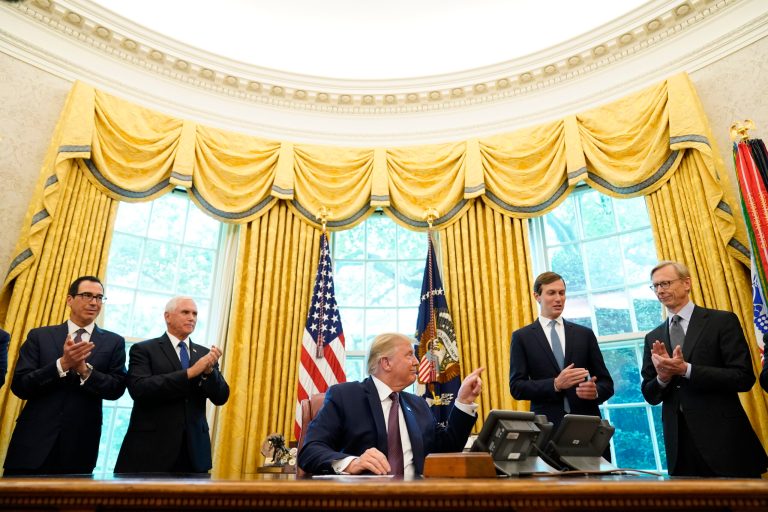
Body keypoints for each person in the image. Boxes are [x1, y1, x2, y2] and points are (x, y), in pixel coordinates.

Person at [641, 260, 768, 478]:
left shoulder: (721, 321)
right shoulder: (653, 337)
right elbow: (650, 394)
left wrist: (686, 369)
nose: (661, 290)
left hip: (725, 441)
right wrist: (662, 378)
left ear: (687, 283)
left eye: (666, 283)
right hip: (681, 446)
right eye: (656, 286)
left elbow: (743, 377)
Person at [298, 332, 484, 477]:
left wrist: (464, 402)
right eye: (410, 355)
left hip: (418, 499)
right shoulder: (345, 396)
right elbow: (310, 450)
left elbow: (446, 450)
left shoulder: (418, 404)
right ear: (386, 362)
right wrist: (353, 463)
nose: (417, 363)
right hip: (364, 500)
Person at [3, 276, 127, 475]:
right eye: (87, 295)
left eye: (99, 298)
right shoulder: (40, 336)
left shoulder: (114, 342)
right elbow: (20, 385)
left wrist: (84, 371)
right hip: (32, 443)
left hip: (80, 446)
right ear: (70, 300)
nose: (94, 302)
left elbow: (116, 389)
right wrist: (62, 364)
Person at [114, 296, 229, 474]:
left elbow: (221, 397)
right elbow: (140, 389)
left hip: (194, 453)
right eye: (185, 312)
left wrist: (208, 372)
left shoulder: (205, 354)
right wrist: (190, 373)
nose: (192, 318)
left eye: (195, 313)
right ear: (167, 316)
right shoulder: (144, 350)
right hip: (151, 450)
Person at [509, 271, 614, 432]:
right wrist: (555, 384)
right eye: (551, 293)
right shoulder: (522, 337)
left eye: (562, 293)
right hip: (547, 430)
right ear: (537, 296)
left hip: (588, 427)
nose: (558, 298)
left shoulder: (584, 334)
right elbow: (517, 387)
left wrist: (596, 392)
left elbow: (606, 383)